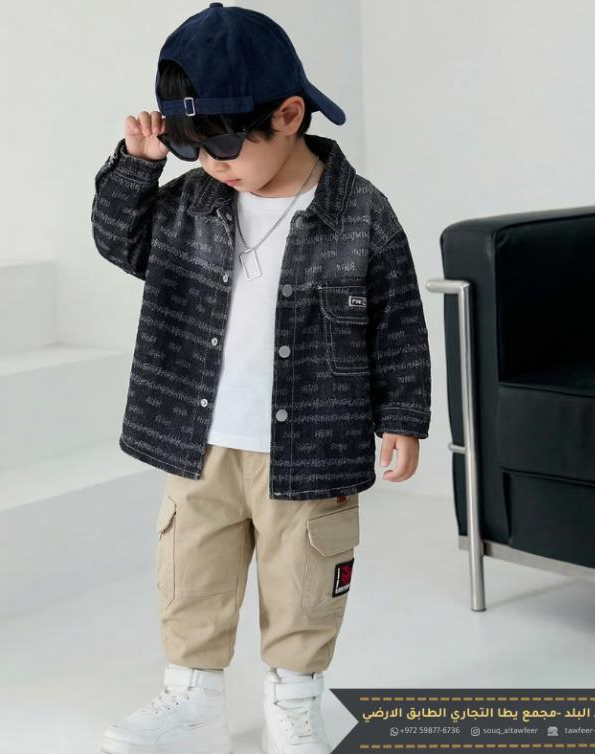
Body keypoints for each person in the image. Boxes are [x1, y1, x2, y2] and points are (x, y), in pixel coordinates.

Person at [92, 4, 431, 752]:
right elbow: (119, 242)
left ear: (288, 115)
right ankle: (192, 698)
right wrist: (140, 166)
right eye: (190, 145)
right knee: (191, 570)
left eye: (222, 142)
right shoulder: (189, 200)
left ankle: (294, 702)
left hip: (312, 442)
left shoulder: (360, 214)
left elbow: (399, 320)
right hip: (201, 439)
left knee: (305, 578)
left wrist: (403, 418)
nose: (210, 163)